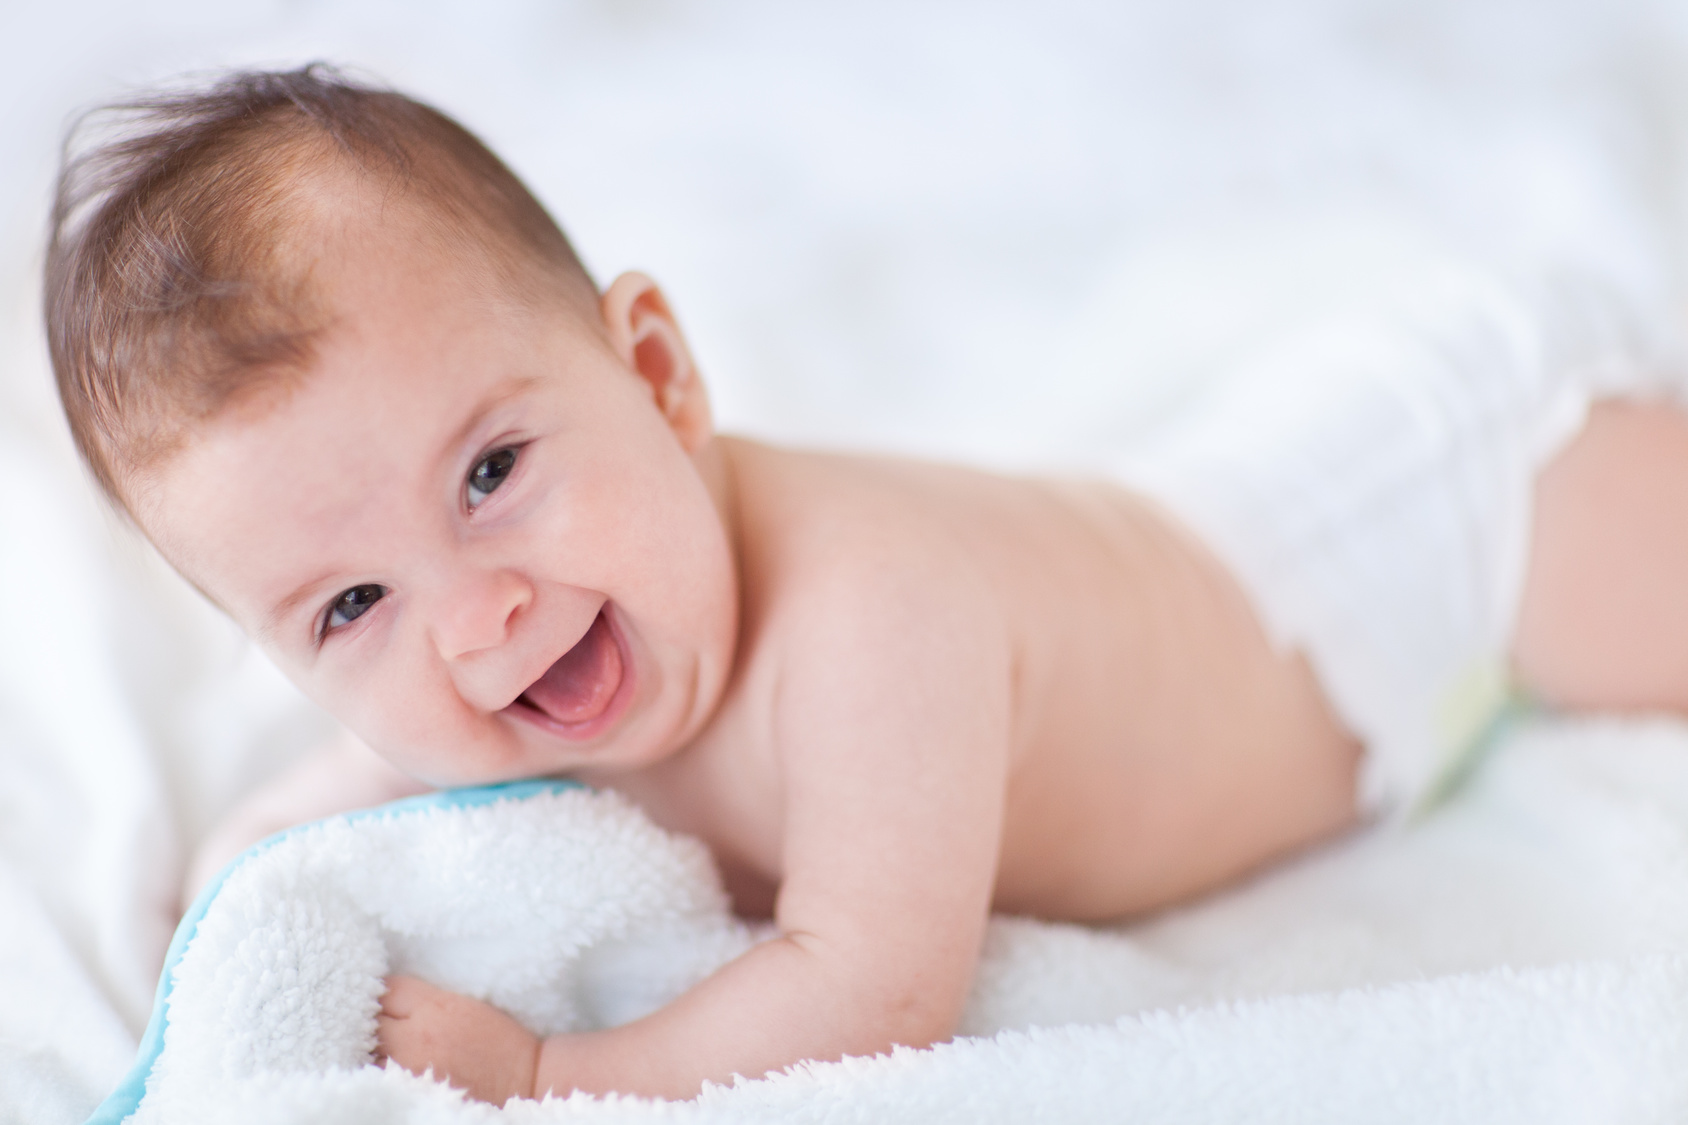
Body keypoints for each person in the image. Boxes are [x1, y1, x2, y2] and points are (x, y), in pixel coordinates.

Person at [43, 66, 1688, 1105]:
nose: (478, 617)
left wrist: (559, 1072)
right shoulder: (526, 653)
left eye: (490, 475)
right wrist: (265, 846)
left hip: (1438, 529)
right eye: (350, 608)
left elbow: (872, 980)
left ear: (661, 375)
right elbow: (365, 776)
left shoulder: (868, 619)